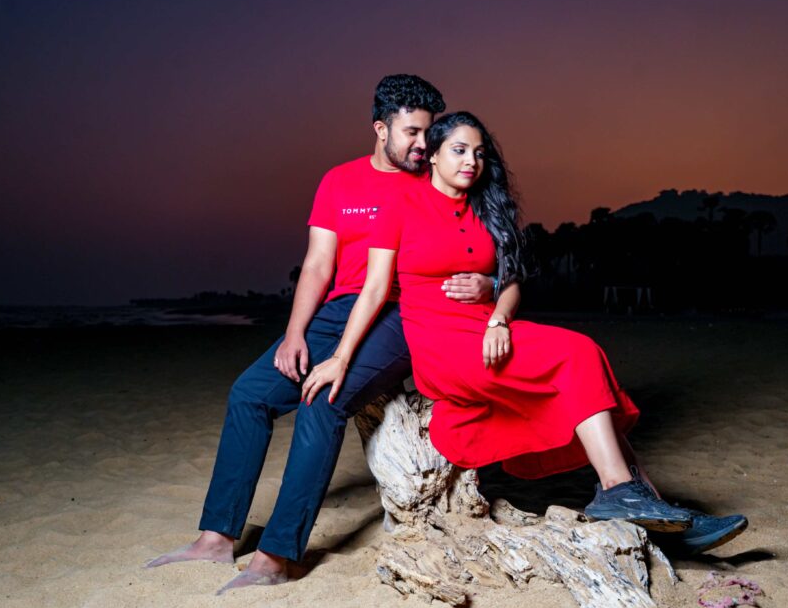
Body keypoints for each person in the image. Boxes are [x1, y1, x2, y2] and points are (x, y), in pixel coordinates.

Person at [302, 111, 748, 551]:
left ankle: (650, 509)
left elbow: (512, 281)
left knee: (581, 359)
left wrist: (497, 314)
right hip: (442, 346)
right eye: (458, 151)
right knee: (576, 356)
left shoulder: (485, 208)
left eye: (478, 153)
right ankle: (626, 494)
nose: (470, 161)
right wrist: (341, 356)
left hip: (488, 329)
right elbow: (375, 288)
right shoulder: (400, 203)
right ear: (433, 155)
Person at [145, 76, 496, 593]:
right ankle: (217, 537)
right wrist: (295, 333)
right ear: (381, 128)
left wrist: (488, 283)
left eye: (429, 135)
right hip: (337, 312)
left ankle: (277, 555)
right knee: (249, 395)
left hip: (402, 311)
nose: (423, 146)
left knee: (323, 400)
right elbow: (316, 265)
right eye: (412, 133)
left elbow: (478, 239)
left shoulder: (437, 178)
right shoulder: (340, 181)